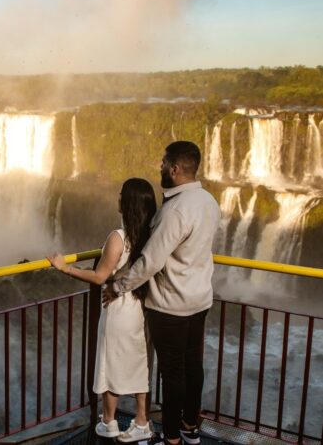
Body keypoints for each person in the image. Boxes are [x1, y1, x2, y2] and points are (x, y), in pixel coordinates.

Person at [105, 141, 220, 445]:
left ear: (174, 168)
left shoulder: (175, 211)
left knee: (172, 374)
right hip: (200, 299)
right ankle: (189, 426)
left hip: (171, 306)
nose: (159, 169)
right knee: (193, 366)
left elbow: (150, 262)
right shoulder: (209, 201)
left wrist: (118, 286)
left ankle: (170, 438)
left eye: (162, 164)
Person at [49, 177, 157, 443]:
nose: (117, 197)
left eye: (121, 194)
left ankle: (108, 422)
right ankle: (142, 420)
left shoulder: (118, 238)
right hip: (139, 307)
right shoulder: (152, 236)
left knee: (110, 362)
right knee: (137, 361)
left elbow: (99, 277)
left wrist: (65, 267)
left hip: (118, 308)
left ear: (128, 203)